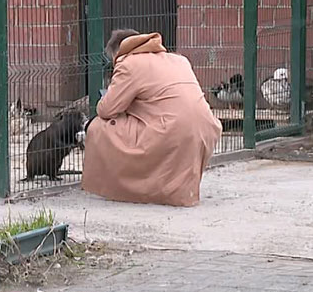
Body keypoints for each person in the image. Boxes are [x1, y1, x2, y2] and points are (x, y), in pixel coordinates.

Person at [82, 29, 222, 207]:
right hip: (206, 128)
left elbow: (107, 110)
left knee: (98, 127)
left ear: (118, 51)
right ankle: (178, 191)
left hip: (172, 129)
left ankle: (130, 187)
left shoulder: (129, 63)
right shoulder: (179, 60)